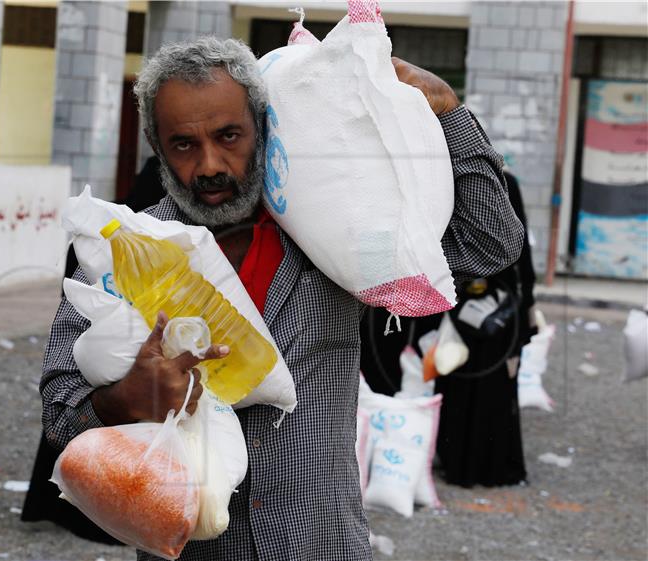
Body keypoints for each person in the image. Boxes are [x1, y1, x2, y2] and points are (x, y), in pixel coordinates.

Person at [40, 37, 523, 560]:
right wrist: (124, 398)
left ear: (264, 128)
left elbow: (489, 242)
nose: (209, 166)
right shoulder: (127, 249)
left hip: (323, 541)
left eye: (229, 136)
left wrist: (452, 115)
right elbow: (59, 413)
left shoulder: (331, 235)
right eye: (184, 144)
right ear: (157, 147)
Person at [432, 170, 536, 487]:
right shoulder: (500, 183)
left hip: (468, 304)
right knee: (483, 388)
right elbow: (521, 260)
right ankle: (485, 464)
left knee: (464, 384)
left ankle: (460, 462)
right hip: (491, 309)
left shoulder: (452, 181)